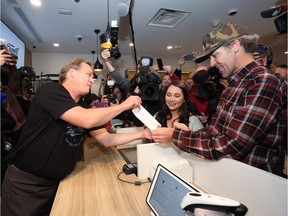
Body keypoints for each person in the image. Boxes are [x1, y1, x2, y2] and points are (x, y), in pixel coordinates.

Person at [1, 59, 153, 215]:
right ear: (72, 73)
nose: (91, 79)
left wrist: (141, 134)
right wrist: (124, 105)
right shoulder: (51, 90)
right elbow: (86, 120)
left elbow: (106, 140)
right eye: (88, 74)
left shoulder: (83, 108)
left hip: (56, 184)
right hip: (26, 185)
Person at [152, 22, 287, 176]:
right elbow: (214, 131)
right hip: (229, 175)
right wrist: (191, 134)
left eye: (215, 55)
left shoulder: (263, 81)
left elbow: (233, 145)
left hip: (253, 182)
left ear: (235, 45)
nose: (212, 64)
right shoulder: (233, 85)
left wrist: (176, 136)